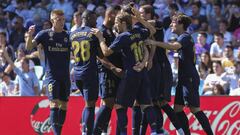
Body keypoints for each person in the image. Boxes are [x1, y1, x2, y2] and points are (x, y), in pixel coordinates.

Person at [92, 6, 158, 135]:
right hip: (142, 73)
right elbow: (152, 30)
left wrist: (100, 38)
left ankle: (122, 133)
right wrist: (140, 19)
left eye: (117, 23)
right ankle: (156, 131)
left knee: (120, 106)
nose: (116, 25)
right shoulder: (139, 31)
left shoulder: (123, 37)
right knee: (146, 105)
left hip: (130, 73)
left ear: (123, 23)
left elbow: (106, 52)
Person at [145, 13, 213, 135]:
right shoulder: (184, 37)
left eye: (174, 22)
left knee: (194, 109)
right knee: (177, 109)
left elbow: (173, 47)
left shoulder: (185, 37)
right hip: (183, 79)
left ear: (181, 24)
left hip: (189, 78)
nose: (171, 25)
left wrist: (155, 43)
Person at [139, 4, 184, 135]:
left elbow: (152, 24)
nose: (140, 15)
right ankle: (159, 130)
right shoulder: (141, 28)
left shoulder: (156, 24)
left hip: (161, 67)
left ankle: (176, 130)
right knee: (152, 102)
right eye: (140, 13)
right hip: (151, 67)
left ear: (150, 15)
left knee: (159, 101)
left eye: (142, 13)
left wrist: (137, 18)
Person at [26, 10, 71, 135]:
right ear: (52, 21)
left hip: (65, 77)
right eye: (58, 20)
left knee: (64, 105)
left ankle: (59, 132)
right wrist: (30, 35)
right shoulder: (44, 35)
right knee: (54, 103)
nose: (61, 22)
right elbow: (29, 47)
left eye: (63, 20)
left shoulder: (68, 36)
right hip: (52, 76)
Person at [70, 10, 104, 135]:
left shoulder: (72, 34)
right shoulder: (93, 33)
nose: (96, 22)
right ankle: (87, 132)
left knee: (87, 104)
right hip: (89, 72)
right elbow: (102, 54)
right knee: (90, 105)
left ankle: (85, 131)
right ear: (88, 18)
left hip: (77, 73)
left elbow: (73, 53)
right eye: (94, 19)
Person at [93, 6, 123, 135]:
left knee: (118, 104)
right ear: (110, 15)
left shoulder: (114, 31)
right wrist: (113, 67)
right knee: (108, 102)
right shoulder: (101, 32)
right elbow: (99, 56)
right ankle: (96, 132)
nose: (118, 19)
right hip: (107, 72)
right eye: (117, 16)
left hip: (118, 72)